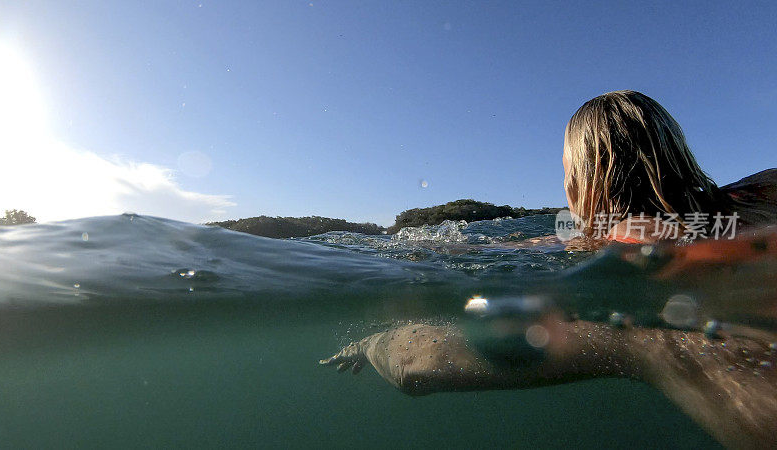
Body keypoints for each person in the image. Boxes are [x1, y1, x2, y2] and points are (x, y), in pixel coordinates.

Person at [321, 91, 777, 448]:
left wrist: (368, 342)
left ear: (577, 178)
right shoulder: (759, 195)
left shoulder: (638, 307)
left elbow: (412, 365)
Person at [562, 90, 776, 244]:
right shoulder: (750, 194)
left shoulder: (633, 233)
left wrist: (585, 239)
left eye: (566, 170)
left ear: (583, 182)